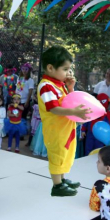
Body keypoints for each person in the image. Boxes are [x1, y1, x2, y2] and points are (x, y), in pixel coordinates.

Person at [37, 46, 91, 196]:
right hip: (56, 130)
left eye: (69, 69)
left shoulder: (58, 85)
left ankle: (62, 179)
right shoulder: (46, 86)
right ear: (50, 68)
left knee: (66, 153)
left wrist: (70, 88)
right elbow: (53, 108)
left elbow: (68, 101)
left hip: (66, 128)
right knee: (57, 155)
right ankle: (57, 186)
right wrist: (75, 112)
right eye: (65, 69)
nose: (69, 73)